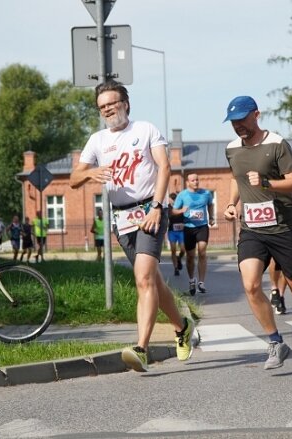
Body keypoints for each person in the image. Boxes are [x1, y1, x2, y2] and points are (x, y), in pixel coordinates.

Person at [69, 80, 198, 372]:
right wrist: (90, 173)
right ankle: (182, 327)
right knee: (153, 281)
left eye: (112, 104)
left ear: (125, 103)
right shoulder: (98, 140)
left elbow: (164, 167)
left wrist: (157, 206)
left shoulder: (145, 130)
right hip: (121, 217)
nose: (108, 110)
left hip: (150, 210)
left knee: (142, 279)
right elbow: (73, 180)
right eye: (102, 107)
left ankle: (141, 348)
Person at [222, 96, 292, 371]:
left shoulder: (277, 144)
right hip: (252, 229)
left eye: (243, 119)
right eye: (234, 122)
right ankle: (276, 342)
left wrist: (267, 182)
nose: (238, 126)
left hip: (283, 228)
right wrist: (232, 204)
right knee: (251, 285)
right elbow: (236, 178)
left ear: (256, 115)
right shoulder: (232, 149)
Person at [171, 173, 214, 295]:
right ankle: (191, 280)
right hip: (189, 228)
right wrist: (181, 210)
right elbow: (173, 210)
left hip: (202, 226)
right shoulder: (182, 195)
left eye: (197, 180)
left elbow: (210, 204)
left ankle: (201, 282)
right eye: (193, 180)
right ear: (188, 182)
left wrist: (211, 217)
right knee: (190, 256)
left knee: (202, 251)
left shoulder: (206, 193)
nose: (195, 182)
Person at [167, 192, 185, 276]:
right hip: (172, 231)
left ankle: (179, 258)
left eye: (175, 199)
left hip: (181, 231)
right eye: (172, 199)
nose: (173, 201)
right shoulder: (168, 208)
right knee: (173, 249)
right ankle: (176, 268)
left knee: (183, 249)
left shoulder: (181, 206)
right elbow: (169, 216)